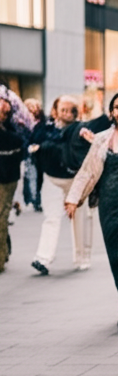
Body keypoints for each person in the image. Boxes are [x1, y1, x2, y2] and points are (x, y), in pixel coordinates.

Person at [64, 93, 118, 332]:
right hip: (107, 204)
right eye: (116, 107)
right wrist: (73, 199)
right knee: (114, 255)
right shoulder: (102, 139)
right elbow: (88, 171)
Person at [28, 96, 96, 275]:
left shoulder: (81, 128)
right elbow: (31, 145)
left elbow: (91, 145)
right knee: (51, 218)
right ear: (55, 110)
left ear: (76, 112)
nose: (66, 113)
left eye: (70, 110)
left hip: (76, 181)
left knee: (81, 219)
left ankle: (82, 258)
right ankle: (43, 258)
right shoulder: (44, 129)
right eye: (62, 109)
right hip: (52, 179)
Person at [0, 95, 26, 273]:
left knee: (1, 216)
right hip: (8, 176)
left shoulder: (13, 132)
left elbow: (20, 147)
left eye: (5, 111)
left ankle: (1, 257)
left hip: (6, 179)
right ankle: (5, 250)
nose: (3, 113)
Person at [20, 98, 43, 212]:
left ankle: (36, 200)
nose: (32, 111)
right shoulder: (22, 123)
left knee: (37, 177)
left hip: (38, 153)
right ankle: (31, 199)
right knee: (29, 176)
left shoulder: (41, 123)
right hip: (27, 153)